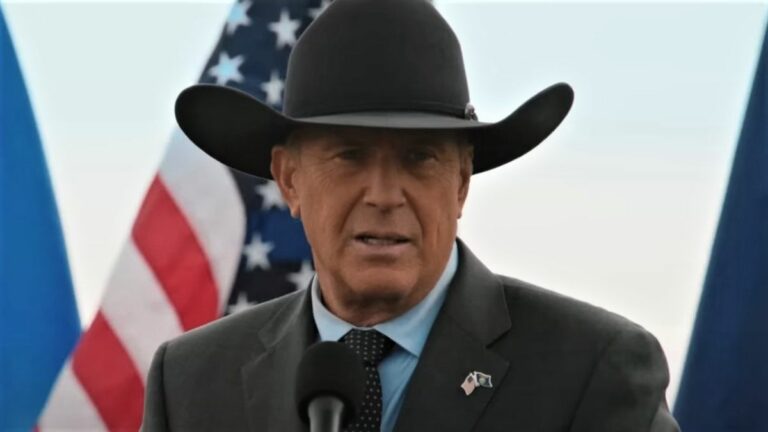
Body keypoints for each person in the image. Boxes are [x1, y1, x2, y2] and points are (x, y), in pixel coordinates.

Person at [142, 0, 679, 430]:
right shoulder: (189, 382)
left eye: (419, 158)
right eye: (350, 156)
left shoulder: (591, 368)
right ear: (289, 180)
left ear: (462, 183)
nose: (384, 194)